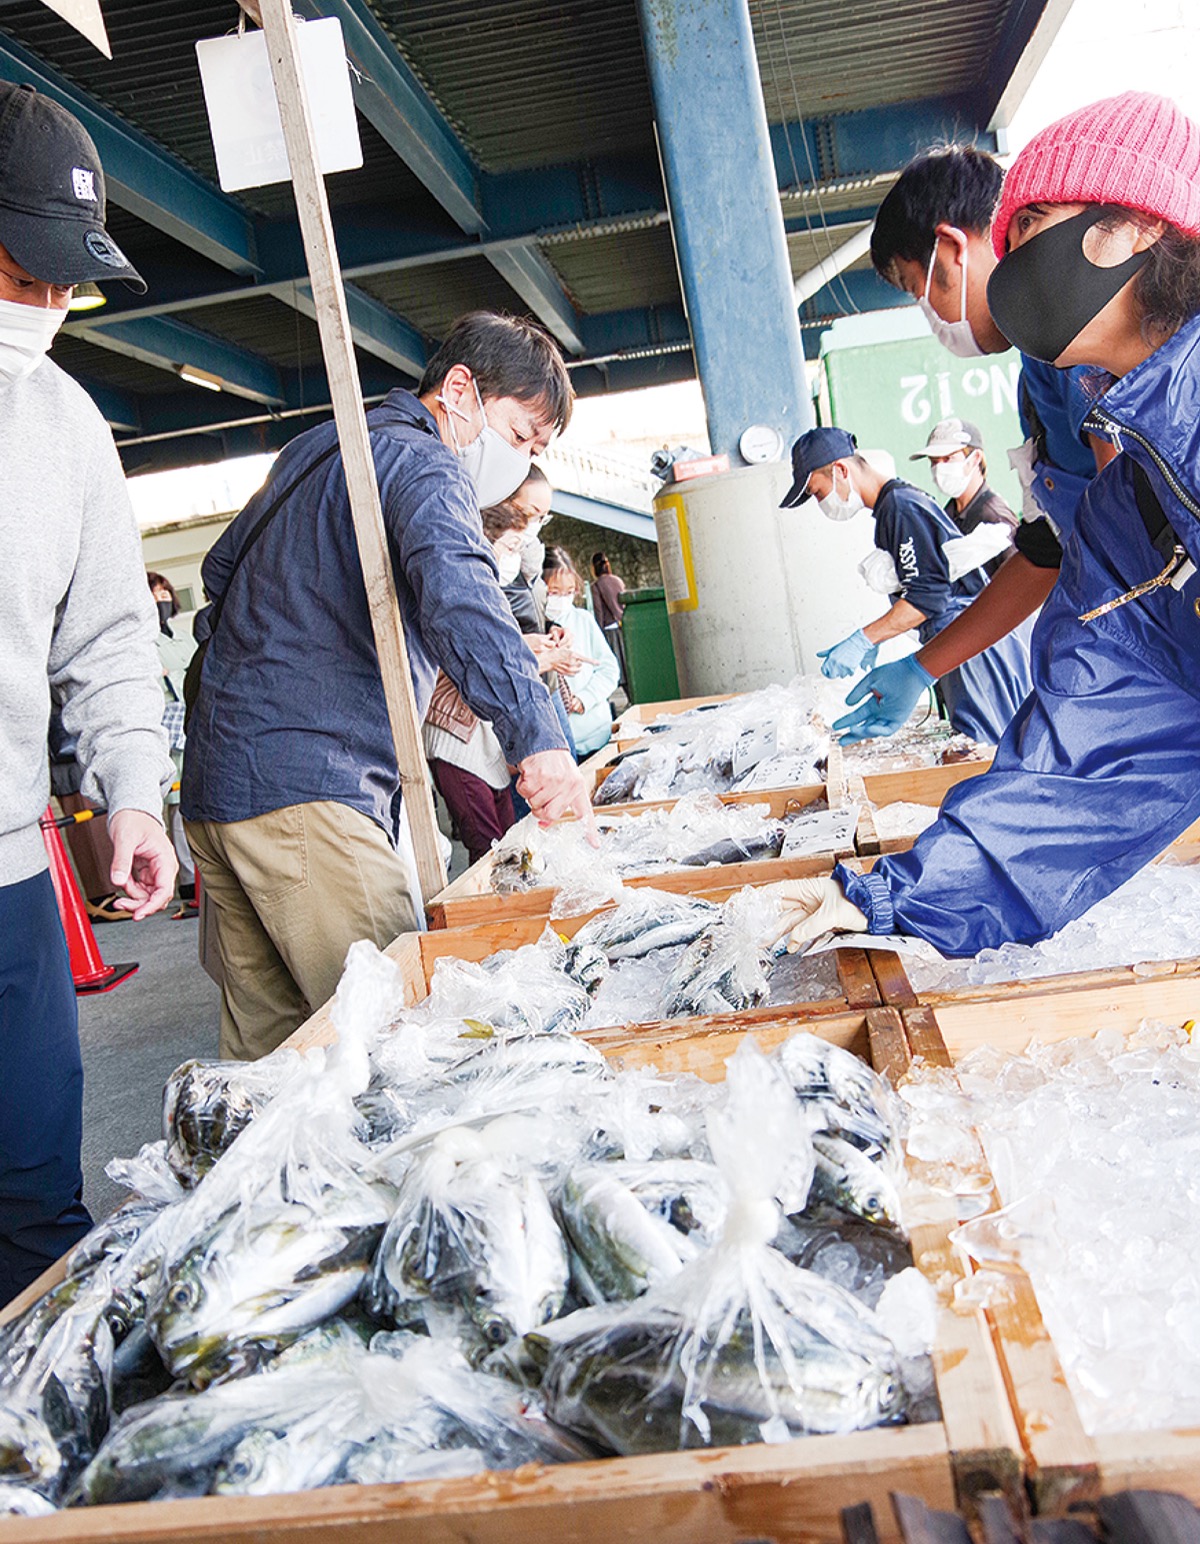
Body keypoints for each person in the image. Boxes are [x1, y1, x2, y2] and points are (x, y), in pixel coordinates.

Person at [771, 90, 1200, 960]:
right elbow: (1102, 746)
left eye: (1035, 224)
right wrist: (903, 895)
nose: (1016, 267)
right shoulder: (1125, 481)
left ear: (1138, 227)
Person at [182, 310, 594, 1061]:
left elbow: (218, 571)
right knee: (406, 1038)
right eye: (521, 436)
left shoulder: (322, 447)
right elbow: (461, 596)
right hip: (309, 791)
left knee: (275, 1069)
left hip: (221, 793)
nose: (521, 458)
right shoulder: (421, 460)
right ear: (461, 389)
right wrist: (539, 740)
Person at [0, 83, 176, 1301]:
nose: (55, 305)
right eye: (29, 273)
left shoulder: (66, 423)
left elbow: (110, 638)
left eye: (73, 279)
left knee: (36, 1207)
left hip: (7, 875)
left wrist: (136, 796)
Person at [840, 145, 1119, 741]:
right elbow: (1047, 549)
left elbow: (1133, 540)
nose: (932, 316)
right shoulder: (1040, 374)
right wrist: (922, 666)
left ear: (951, 248)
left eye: (920, 290)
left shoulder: (1086, 341)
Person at [781, 426, 1032, 744]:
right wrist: (881, 637)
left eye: (818, 493)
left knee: (982, 752)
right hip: (954, 645)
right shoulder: (892, 509)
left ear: (841, 470)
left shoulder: (900, 507)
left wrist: (864, 639)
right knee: (975, 747)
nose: (822, 503)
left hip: (967, 649)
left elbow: (928, 598)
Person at [423, 502, 529, 864]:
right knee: (488, 851)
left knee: (509, 842)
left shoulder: (489, 593)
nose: (515, 559)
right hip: (457, 741)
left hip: (486, 742)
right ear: (484, 542)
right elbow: (468, 665)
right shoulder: (453, 591)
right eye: (512, 548)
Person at [147, 571, 198, 918]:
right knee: (177, 807)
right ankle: (189, 886)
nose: (161, 600)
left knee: (194, 803)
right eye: (154, 595)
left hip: (191, 720)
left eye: (165, 593)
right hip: (164, 729)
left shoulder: (182, 638)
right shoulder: (142, 640)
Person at [908, 417, 1016, 577]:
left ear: (975, 459)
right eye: (934, 461)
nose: (939, 468)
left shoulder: (996, 517)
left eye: (948, 458)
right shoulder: (947, 514)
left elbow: (1024, 583)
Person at [543, 547, 621, 757]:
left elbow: (609, 668)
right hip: (560, 746)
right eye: (553, 593)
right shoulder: (532, 630)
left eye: (569, 592)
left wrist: (586, 698)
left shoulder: (583, 620)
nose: (562, 599)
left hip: (598, 734)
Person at [590, 551, 627, 684]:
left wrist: (598, 632)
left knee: (617, 667)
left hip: (609, 629)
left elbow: (599, 611)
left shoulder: (596, 585)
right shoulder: (618, 580)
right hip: (624, 626)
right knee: (627, 664)